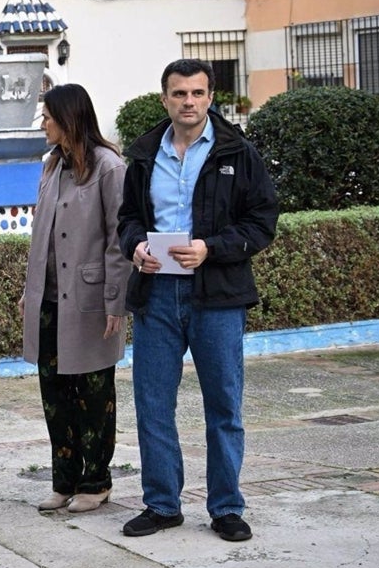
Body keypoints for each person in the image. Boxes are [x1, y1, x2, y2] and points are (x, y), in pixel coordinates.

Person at [117, 59, 278, 542]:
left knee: (224, 406)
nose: (189, 102)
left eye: (198, 93)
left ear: (211, 98)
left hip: (219, 296)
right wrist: (136, 247)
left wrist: (212, 249)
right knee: (152, 404)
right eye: (179, 93)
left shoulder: (238, 152)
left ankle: (227, 507)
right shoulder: (144, 155)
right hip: (157, 294)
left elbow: (262, 222)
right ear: (164, 98)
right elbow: (127, 218)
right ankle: (162, 505)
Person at [20, 85, 132, 514]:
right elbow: (41, 238)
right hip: (49, 301)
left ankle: (96, 481)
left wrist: (114, 301)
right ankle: (63, 479)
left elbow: (119, 240)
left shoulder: (108, 166)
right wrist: (30, 294)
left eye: (47, 116)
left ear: (68, 118)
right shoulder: (52, 166)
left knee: (93, 394)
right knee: (55, 394)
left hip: (89, 300)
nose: (43, 123)